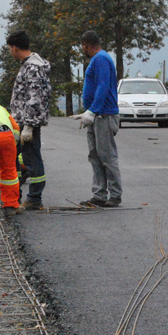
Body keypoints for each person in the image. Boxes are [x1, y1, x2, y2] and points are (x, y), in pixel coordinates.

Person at [72, 30, 122, 207]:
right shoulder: (98, 59)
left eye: (82, 47)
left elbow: (102, 86)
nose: (82, 50)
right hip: (96, 116)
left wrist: (92, 110)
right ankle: (99, 195)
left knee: (107, 156)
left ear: (86, 45)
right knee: (95, 156)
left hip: (104, 115)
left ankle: (115, 195)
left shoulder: (100, 59)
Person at [6, 29, 51, 211]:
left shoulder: (32, 67)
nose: (10, 52)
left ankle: (34, 198)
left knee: (32, 160)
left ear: (15, 48)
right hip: (21, 123)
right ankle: (15, 196)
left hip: (26, 124)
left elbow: (34, 98)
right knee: (16, 159)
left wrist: (29, 126)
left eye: (10, 48)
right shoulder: (30, 65)